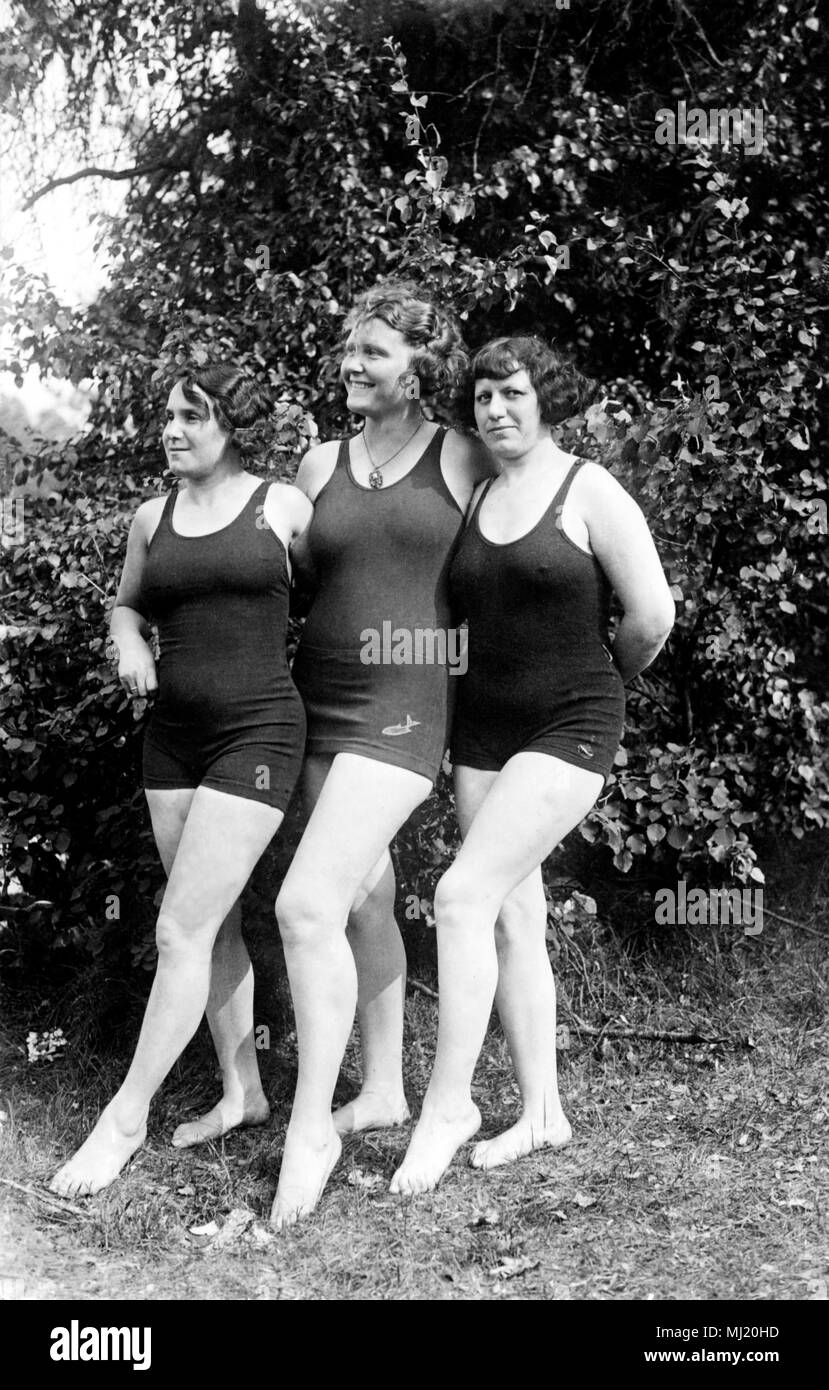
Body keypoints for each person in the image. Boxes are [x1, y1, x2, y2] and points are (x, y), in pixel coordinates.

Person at [391, 336, 676, 1194]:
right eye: (482, 398)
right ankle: (543, 1113)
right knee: (513, 915)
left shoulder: (586, 487)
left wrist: (600, 684)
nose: (495, 411)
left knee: (459, 895)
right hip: (482, 731)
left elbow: (650, 616)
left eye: (511, 394)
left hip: (570, 722)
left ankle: (447, 1107)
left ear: (545, 398)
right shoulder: (476, 494)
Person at [49, 363, 312, 1197]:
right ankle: (246, 1092)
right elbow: (129, 605)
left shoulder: (282, 507)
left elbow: (349, 600)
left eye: (191, 417)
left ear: (230, 425)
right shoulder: (150, 517)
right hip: (172, 741)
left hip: (259, 735)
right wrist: (130, 642)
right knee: (212, 924)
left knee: (176, 931)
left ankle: (122, 1120)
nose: (171, 429)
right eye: (167, 416)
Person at [270, 282, 489, 1227]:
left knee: (304, 904)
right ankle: (385, 1087)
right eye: (349, 349)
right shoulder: (320, 463)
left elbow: (525, 546)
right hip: (319, 699)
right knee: (363, 897)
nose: (351, 365)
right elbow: (297, 577)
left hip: (405, 705)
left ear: (420, 368)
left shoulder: (462, 454)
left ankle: (310, 1126)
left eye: (373, 353)